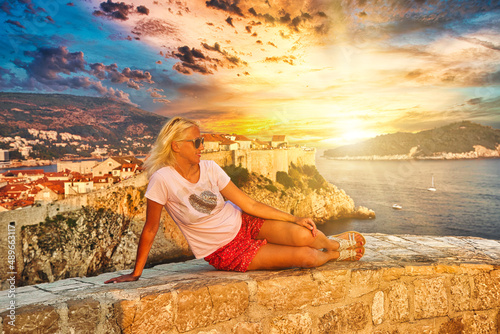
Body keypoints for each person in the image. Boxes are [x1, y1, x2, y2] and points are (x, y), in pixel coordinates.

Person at [105, 117, 365, 284]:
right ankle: (333, 256)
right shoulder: (162, 179)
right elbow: (150, 228)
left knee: (305, 235)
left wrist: (294, 217)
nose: (201, 146)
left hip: (244, 222)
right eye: (196, 141)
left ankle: (333, 244)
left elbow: (249, 204)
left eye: (202, 140)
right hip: (226, 251)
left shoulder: (209, 168)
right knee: (307, 257)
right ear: (175, 146)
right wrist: (136, 273)